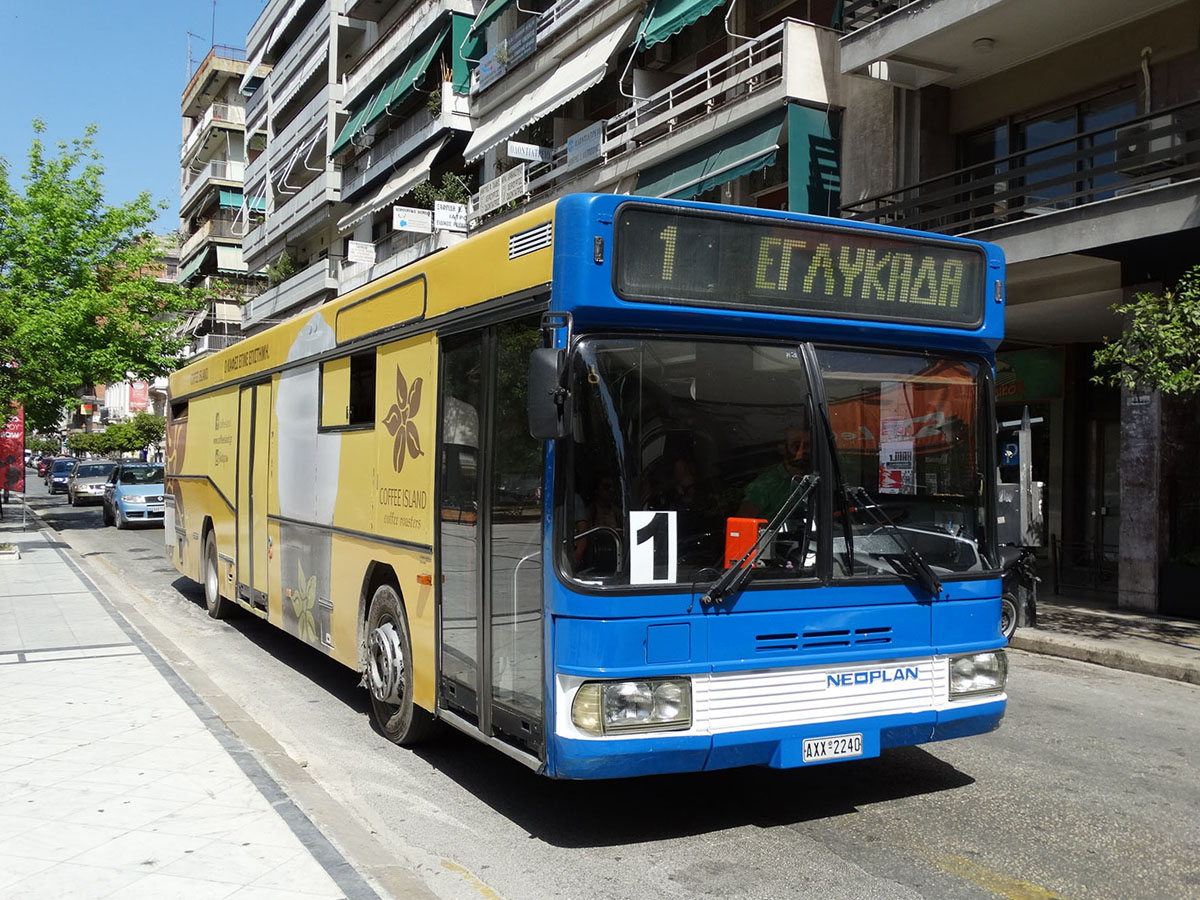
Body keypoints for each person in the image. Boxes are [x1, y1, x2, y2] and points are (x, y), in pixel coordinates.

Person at [738, 424, 812, 522]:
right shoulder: (764, 485)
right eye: (797, 445)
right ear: (782, 449)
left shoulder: (821, 478)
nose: (803, 451)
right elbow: (742, 525)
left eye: (808, 446)